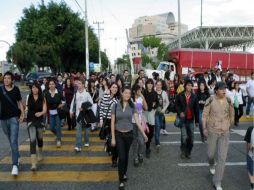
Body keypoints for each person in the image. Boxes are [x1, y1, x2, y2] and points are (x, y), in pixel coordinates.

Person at [111, 86, 148, 190]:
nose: (127, 95)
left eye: (129, 93)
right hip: (118, 134)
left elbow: (137, 121)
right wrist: (113, 138)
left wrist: (144, 134)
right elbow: (112, 123)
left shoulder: (133, 106)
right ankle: (121, 180)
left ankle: (124, 173)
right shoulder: (115, 105)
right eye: (125, 93)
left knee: (126, 156)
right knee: (121, 157)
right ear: (122, 93)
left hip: (129, 135)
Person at [202, 82, 234, 190]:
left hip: (224, 131)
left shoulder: (228, 100)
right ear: (216, 90)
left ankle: (217, 181)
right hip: (213, 131)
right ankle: (211, 163)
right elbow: (204, 115)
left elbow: (231, 113)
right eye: (221, 89)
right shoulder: (210, 100)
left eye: (225, 89)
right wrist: (204, 128)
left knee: (222, 158)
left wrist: (230, 124)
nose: (224, 91)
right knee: (210, 154)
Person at [0, 71, 25, 176]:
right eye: (5, 78)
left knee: (14, 140)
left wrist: (22, 115)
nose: (6, 80)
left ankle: (15, 165)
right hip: (3, 119)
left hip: (14, 118)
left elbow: (19, 102)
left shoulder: (16, 89)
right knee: (11, 139)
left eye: (8, 78)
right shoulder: (0, 89)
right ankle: (17, 155)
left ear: (12, 80)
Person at [175, 79, 199, 159]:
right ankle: (183, 151)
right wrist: (180, 112)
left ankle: (188, 152)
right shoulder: (180, 95)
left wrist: (197, 121)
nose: (189, 87)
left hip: (191, 120)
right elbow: (176, 105)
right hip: (183, 121)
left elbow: (196, 109)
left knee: (191, 138)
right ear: (185, 86)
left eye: (191, 85)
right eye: (188, 85)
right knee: (184, 137)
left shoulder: (194, 97)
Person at [26, 82, 47, 170]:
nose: (34, 89)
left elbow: (45, 110)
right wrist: (25, 113)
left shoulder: (42, 97)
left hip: (39, 120)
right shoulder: (28, 97)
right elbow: (26, 108)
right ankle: (33, 163)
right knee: (33, 139)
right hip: (31, 120)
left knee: (40, 137)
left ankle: (40, 152)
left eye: (36, 88)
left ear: (39, 89)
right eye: (33, 88)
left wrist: (41, 113)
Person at [70, 78, 93, 152]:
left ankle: (86, 141)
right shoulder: (75, 93)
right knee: (78, 132)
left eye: (80, 83)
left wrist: (84, 108)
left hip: (86, 115)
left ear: (83, 84)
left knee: (86, 131)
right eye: (77, 83)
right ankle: (78, 146)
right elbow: (72, 103)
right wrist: (71, 111)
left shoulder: (87, 94)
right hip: (78, 115)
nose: (78, 85)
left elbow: (91, 103)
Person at [99, 82, 120, 167]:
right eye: (113, 87)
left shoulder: (118, 99)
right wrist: (100, 119)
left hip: (114, 121)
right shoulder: (105, 96)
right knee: (108, 138)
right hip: (106, 120)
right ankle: (108, 147)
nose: (115, 89)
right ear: (110, 88)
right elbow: (102, 108)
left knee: (113, 139)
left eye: (116, 88)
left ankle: (114, 159)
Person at [45, 80, 65, 148]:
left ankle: (58, 140)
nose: (51, 85)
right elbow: (44, 103)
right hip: (51, 113)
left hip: (58, 112)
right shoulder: (46, 93)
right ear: (48, 85)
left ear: (55, 85)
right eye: (50, 84)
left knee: (58, 126)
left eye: (52, 84)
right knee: (51, 128)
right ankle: (58, 134)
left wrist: (61, 105)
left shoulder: (59, 92)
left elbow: (64, 101)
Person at [132, 84, 148, 167]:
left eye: (141, 89)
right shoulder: (130, 99)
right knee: (134, 141)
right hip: (132, 123)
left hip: (140, 122)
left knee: (141, 141)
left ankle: (140, 153)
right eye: (138, 90)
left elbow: (146, 108)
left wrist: (143, 97)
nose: (140, 91)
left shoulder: (141, 98)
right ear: (134, 90)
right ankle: (135, 157)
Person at [143, 79, 158, 158]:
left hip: (151, 113)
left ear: (153, 85)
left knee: (151, 130)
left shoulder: (155, 93)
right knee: (146, 130)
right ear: (146, 85)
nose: (150, 85)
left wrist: (154, 107)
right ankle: (147, 148)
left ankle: (148, 140)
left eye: (151, 83)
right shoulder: (143, 92)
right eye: (148, 83)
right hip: (144, 113)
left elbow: (157, 102)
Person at [155, 79, 169, 150]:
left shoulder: (164, 93)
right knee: (157, 126)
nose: (158, 86)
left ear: (161, 85)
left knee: (160, 125)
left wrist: (164, 109)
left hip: (162, 113)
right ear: (155, 85)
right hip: (155, 113)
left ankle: (156, 136)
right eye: (157, 85)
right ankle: (157, 142)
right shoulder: (154, 92)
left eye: (160, 85)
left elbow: (167, 102)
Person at [244, 126, 254, 190]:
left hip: (252, 155)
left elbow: (248, 145)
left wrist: (247, 152)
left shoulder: (250, 129)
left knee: (250, 171)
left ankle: (252, 187)